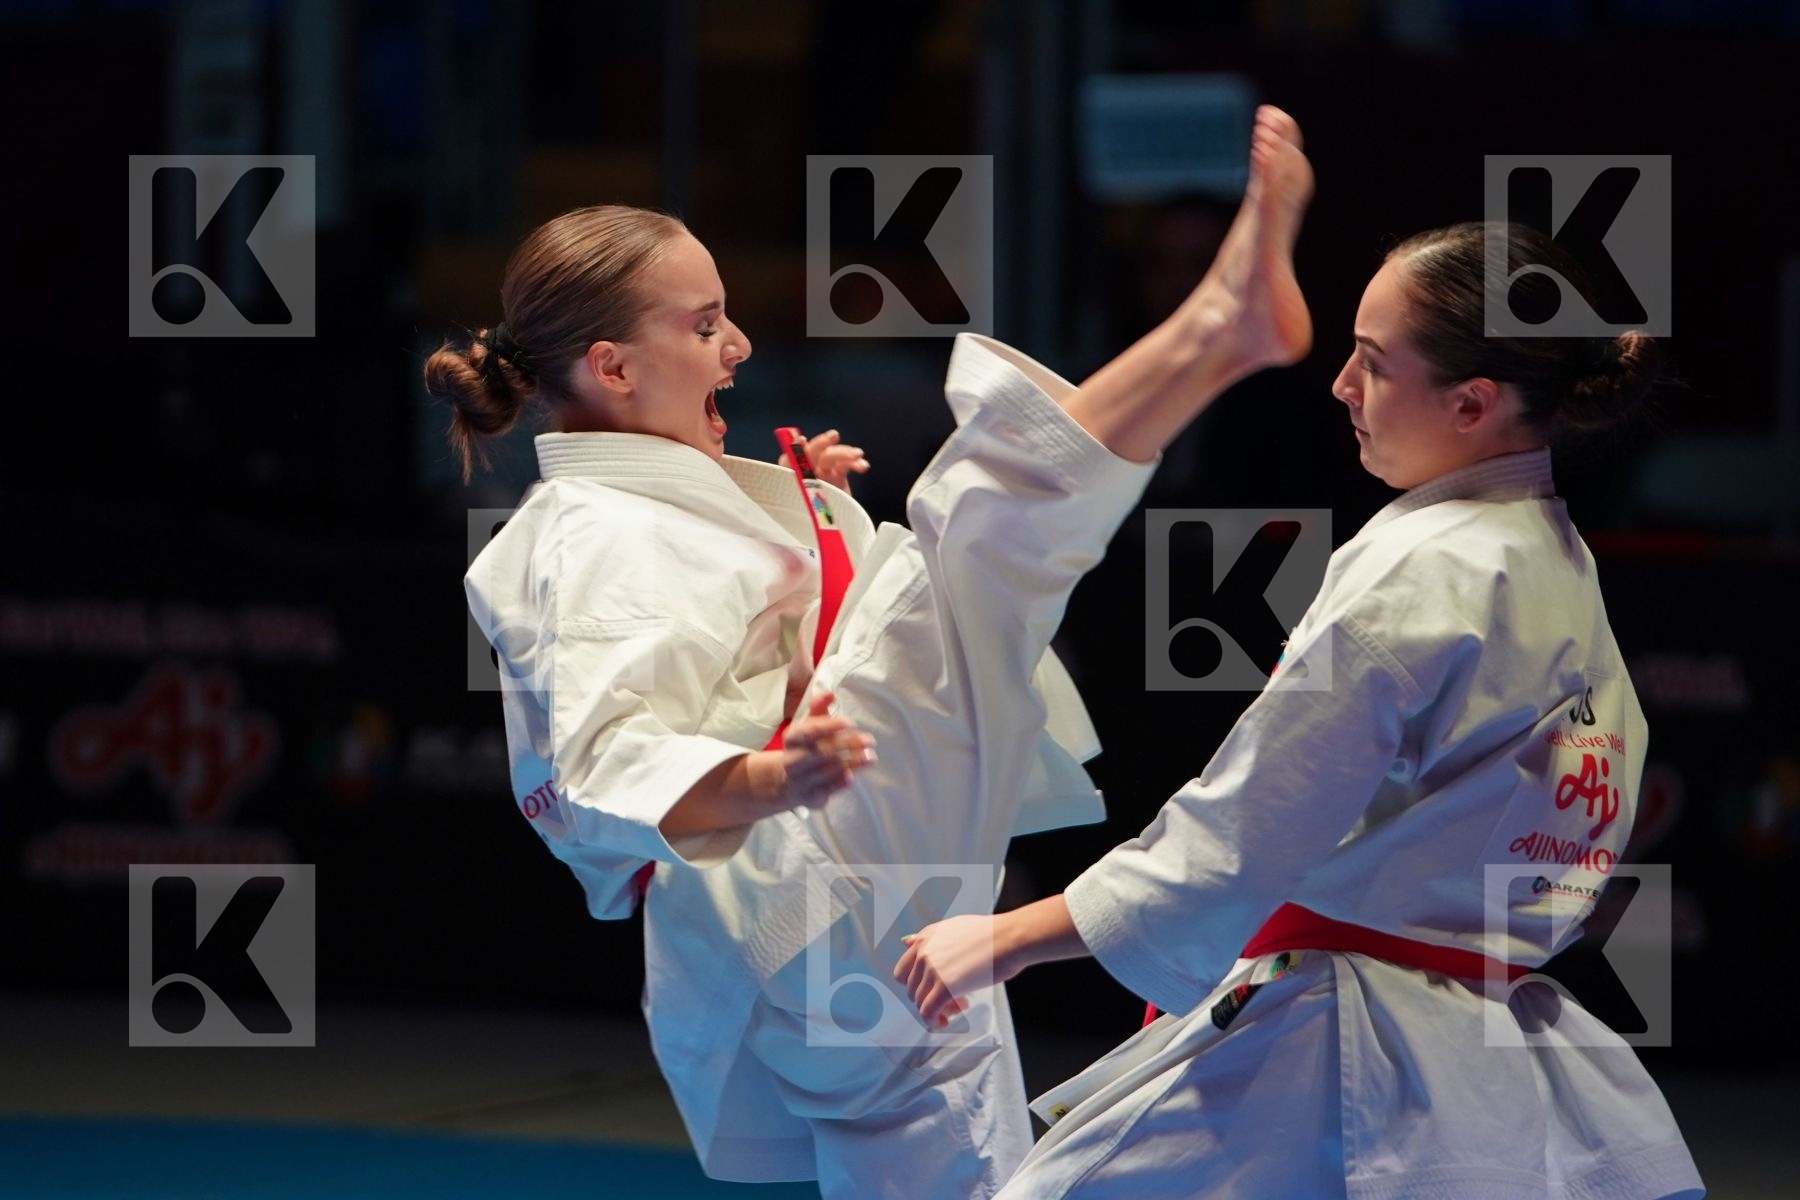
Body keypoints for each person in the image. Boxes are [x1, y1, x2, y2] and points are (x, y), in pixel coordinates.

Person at [433, 106, 1315, 1198]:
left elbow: (750, 668)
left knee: (955, 1148)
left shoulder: (653, 508)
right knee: (974, 545)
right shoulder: (585, 533)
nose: (739, 345)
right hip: (788, 895)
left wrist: (824, 547)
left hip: (816, 919)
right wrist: (770, 774)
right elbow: (604, 760)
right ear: (612, 368)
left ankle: (1223, 329)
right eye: (706, 326)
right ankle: (1217, 330)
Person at [897, 221, 1707, 1198]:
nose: (1341, 388)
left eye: (1372, 362)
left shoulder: (1419, 568)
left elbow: (1246, 827)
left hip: (1341, 1042)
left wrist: (1005, 936)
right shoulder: (1556, 567)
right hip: (1497, 1048)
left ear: (1472, 403)